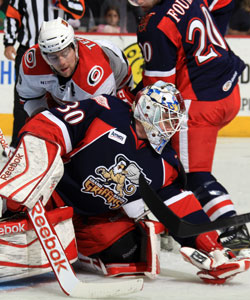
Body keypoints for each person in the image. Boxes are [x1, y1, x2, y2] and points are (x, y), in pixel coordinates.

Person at [0, 81, 249, 283]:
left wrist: (214, 248)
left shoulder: (166, 163)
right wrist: (25, 179)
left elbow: (181, 210)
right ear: (148, 111)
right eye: (167, 118)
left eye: (174, 120)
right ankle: (10, 215)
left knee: (136, 250)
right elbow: (50, 124)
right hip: (48, 197)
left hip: (90, 220)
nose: (171, 127)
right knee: (20, 210)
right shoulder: (107, 111)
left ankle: (77, 250)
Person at [127, 0, 250, 254]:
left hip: (200, 104)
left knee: (190, 174)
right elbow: (225, 2)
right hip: (230, 91)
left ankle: (234, 232)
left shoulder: (155, 25)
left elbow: (158, 90)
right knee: (182, 165)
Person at [3, 0, 85, 157]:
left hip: (59, 52)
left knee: (63, 97)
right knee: (22, 98)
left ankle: (60, 142)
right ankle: (17, 143)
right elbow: (12, 16)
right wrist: (8, 42)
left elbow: (79, 10)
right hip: (29, 51)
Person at [16, 17, 133, 117]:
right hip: (62, 96)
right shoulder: (33, 63)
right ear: (44, 56)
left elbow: (101, 117)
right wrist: (44, 120)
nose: (62, 62)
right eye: (53, 57)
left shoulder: (96, 68)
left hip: (118, 84)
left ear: (75, 47)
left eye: (65, 53)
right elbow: (30, 98)